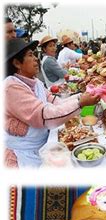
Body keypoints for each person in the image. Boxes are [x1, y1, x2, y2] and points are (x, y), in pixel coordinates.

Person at [4, 38, 100, 167]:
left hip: (41, 146)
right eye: (30, 55)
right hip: (24, 154)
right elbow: (45, 116)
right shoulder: (11, 87)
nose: (36, 59)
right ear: (17, 63)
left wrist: (81, 97)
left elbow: (56, 102)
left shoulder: (36, 83)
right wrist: (80, 103)